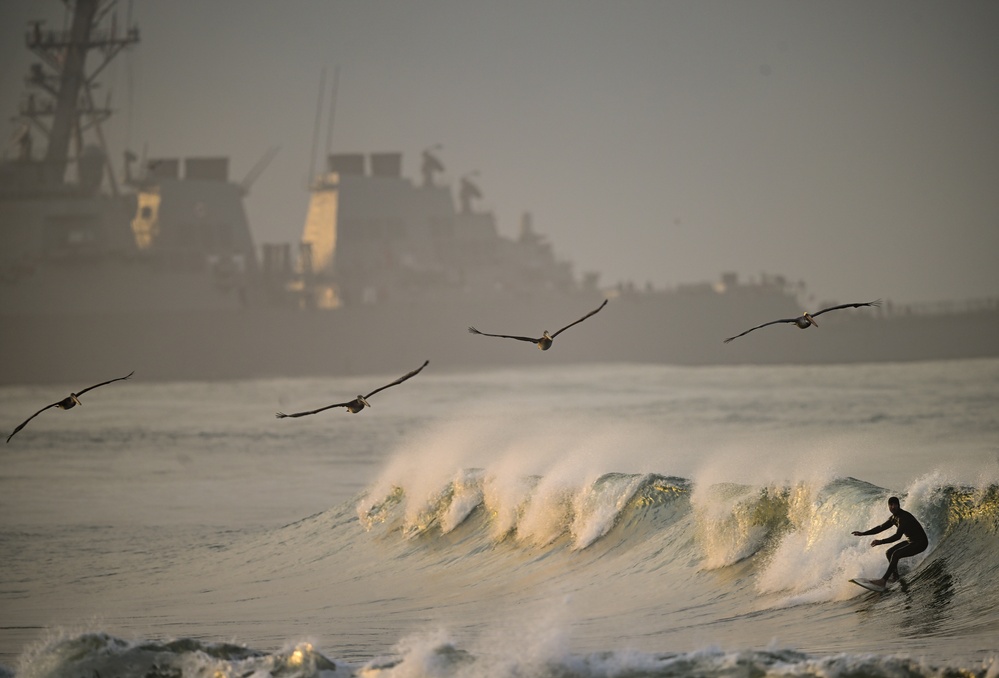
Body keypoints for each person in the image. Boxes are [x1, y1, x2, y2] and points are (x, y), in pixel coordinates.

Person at [852, 496, 928, 588]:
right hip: (911, 541)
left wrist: (880, 541)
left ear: (898, 505)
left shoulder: (903, 517)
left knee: (896, 554)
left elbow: (897, 536)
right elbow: (880, 527)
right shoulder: (893, 518)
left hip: (921, 543)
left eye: (895, 504)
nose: (893, 507)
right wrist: (863, 533)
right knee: (889, 552)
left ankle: (883, 580)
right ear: (889, 507)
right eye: (891, 505)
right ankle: (895, 577)